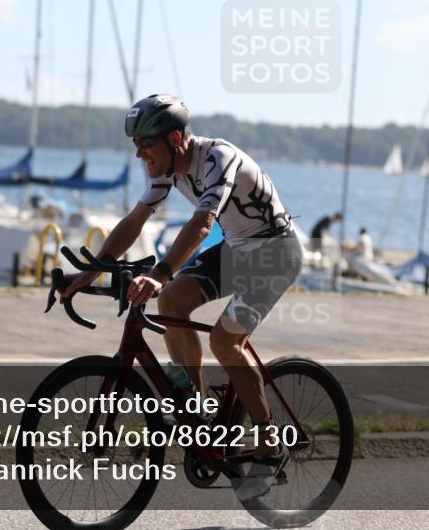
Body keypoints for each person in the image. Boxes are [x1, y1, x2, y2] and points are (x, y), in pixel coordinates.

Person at [58, 94, 303, 500]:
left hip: (275, 253)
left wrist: (159, 274)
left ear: (175, 139)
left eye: (146, 144)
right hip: (238, 251)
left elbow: (203, 224)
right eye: (135, 144)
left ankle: (270, 443)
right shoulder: (167, 169)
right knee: (172, 301)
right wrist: (90, 272)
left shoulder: (218, 158)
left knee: (224, 340)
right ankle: (198, 409)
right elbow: (136, 220)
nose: (139, 154)